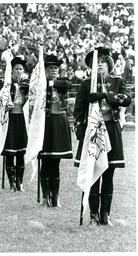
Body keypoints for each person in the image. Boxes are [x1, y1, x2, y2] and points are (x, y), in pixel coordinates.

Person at [73, 47, 131, 225]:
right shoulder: (85, 84)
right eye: (95, 63)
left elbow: (126, 99)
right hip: (92, 132)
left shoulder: (117, 81)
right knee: (91, 172)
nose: (99, 66)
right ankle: (93, 215)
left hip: (110, 130)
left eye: (102, 63)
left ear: (109, 65)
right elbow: (78, 110)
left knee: (108, 173)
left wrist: (106, 95)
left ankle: (105, 214)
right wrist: (80, 128)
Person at [39, 54, 73, 207]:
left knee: (56, 161)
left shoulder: (61, 82)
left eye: (55, 68)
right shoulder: (40, 84)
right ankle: (46, 196)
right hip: (45, 123)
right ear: (45, 69)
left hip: (59, 122)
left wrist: (51, 82)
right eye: (50, 68)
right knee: (46, 161)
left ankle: (56, 196)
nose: (53, 70)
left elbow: (66, 84)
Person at [4, 56, 29, 192]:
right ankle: (11, 182)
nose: (19, 71)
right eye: (16, 69)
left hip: (22, 119)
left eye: (21, 69)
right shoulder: (7, 84)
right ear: (12, 71)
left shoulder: (27, 85)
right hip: (11, 119)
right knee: (10, 152)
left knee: (21, 152)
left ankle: (20, 182)